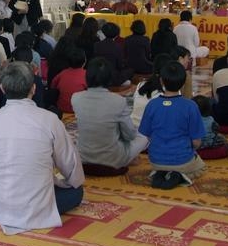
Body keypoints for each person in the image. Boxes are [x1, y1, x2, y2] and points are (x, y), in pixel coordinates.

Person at [0, 62, 84, 233]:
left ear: (3, 89)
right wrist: (71, 183)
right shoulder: (50, 120)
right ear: (34, 88)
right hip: (37, 207)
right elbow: (70, 166)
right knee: (76, 192)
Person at [137, 60, 205, 189]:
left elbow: (147, 135)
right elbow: (196, 142)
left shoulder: (152, 104)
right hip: (181, 159)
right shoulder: (190, 106)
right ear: (184, 82)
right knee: (201, 167)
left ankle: (159, 173)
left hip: (155, 159)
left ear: (161, 81)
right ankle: (179, 176)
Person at [71, 58, 148, 169]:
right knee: (144, 136)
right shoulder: (118, 101)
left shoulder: (76, 98)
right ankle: (128, 158)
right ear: (109, 78)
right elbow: (129, 135)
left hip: (84, 157)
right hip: (113, 159)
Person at [91, 22, 132, 86]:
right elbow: (120, 65)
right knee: (130, 71)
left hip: (99, 75)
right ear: (116, 34)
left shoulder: (96, 45)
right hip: (112, 77)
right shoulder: (117, 47)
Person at [50, 46, 87, 114]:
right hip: (79, 111)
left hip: (61, 110)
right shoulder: (87, 75)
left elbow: (53, 86)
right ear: (84, 62)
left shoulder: (62, 73)